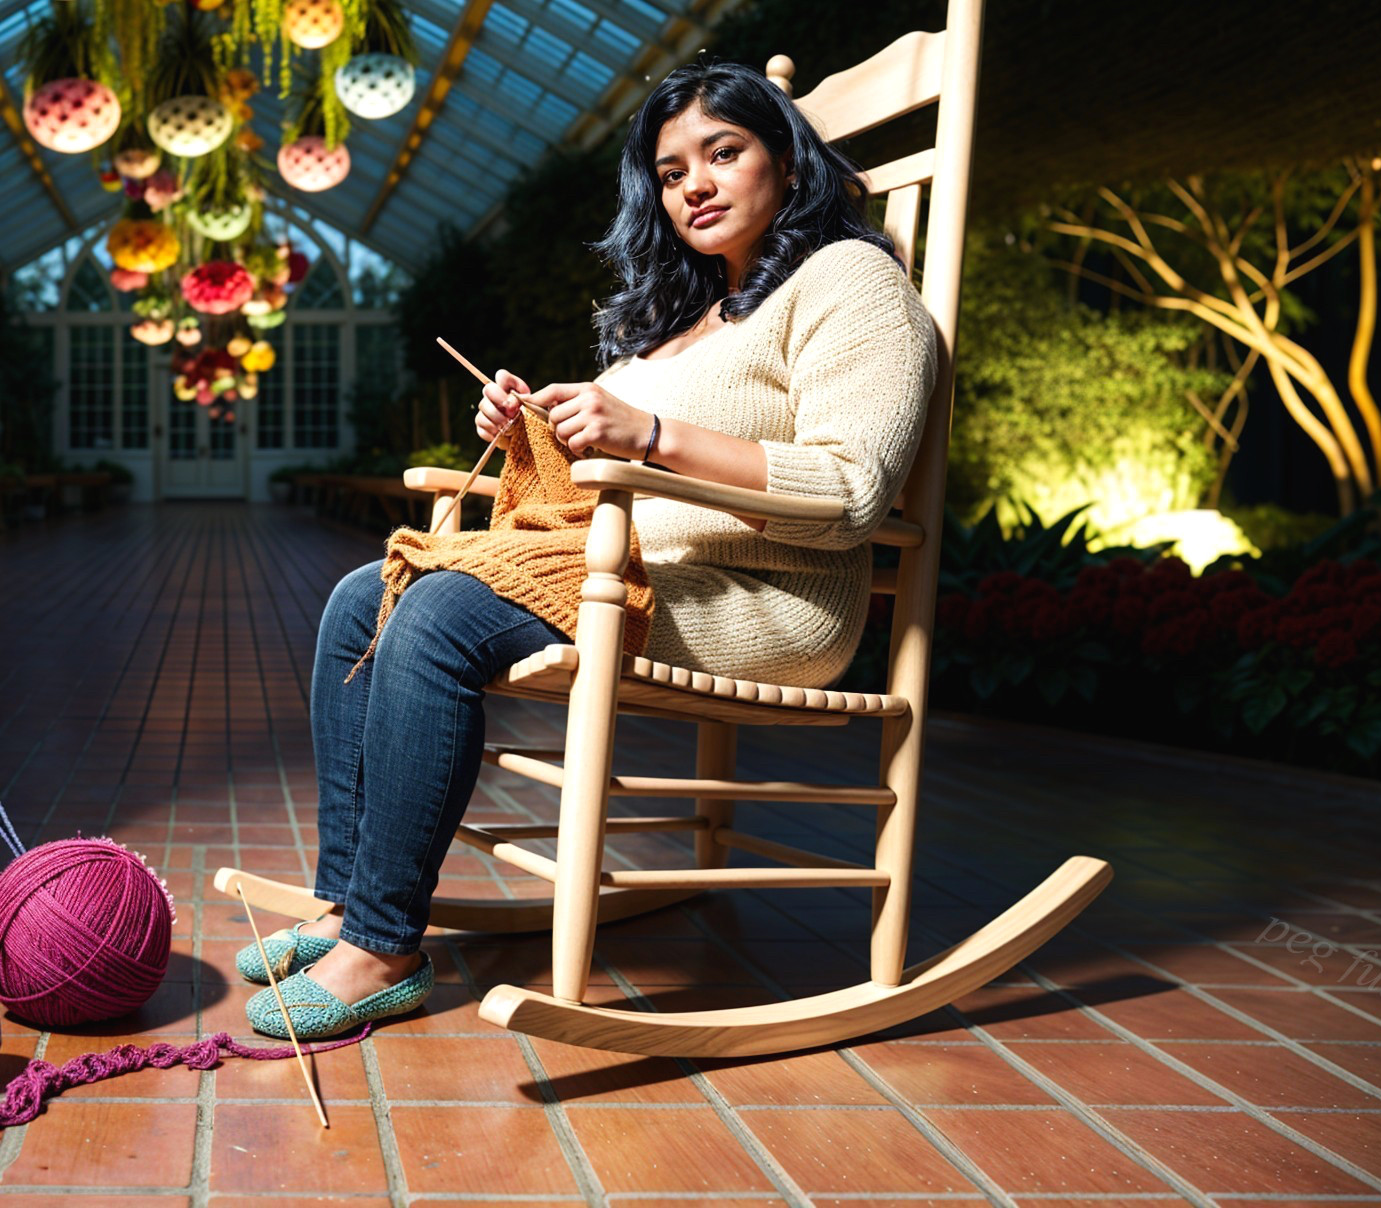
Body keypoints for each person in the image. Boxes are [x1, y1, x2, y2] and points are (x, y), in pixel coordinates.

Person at [244, 61, 940, 1039]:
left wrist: (645, 435)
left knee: (438, 611)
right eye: (669, 170)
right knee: (366, 596)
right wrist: (537, 422)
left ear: (785, 158)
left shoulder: (851, 281)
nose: (693, 183)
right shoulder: (687, 316)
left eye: (722, 152)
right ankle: (348, 903)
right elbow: (596, 464)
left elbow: (854, 489)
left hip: (764, 599)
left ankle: (386, 946)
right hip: (630, 572)